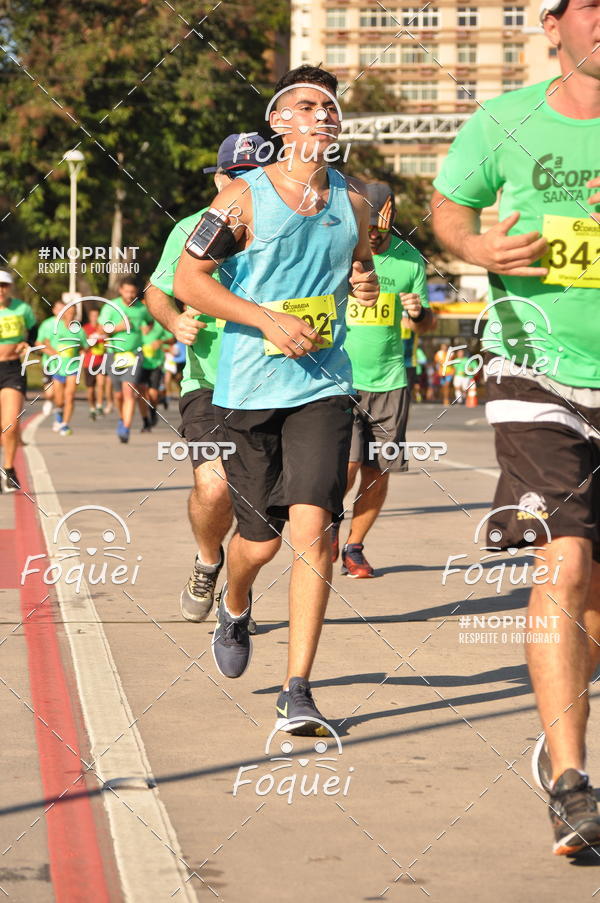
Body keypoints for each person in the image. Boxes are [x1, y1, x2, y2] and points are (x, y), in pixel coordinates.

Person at [432, 0, 600, 856]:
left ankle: (559, 723)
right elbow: (449, 207)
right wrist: (478, 249)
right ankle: (572, 783)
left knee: (595, 585)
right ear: (554, 22)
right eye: (593, 4)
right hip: (534, 368)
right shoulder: (502, 119)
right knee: (562, 558)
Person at [174, 66, 379, 734]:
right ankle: (235, 603)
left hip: (323, 384)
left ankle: (299, 689)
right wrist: (264, 319)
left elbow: (362, 255)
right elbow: (189, 279)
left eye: (329, 107)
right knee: (257, 547)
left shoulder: (355, 200)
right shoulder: (241, 200)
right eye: (305, 106)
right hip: (247, 387)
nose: (322, 114)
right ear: (279, 124)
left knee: (314, 531)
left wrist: (365, 278)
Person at [146, 133, 270, 626]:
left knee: (262, 516)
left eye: (256, 178)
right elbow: (158, 290)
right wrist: (174, 320)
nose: (246, 188)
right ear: (220, 180)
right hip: (210, 382)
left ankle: (237, 594)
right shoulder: (191, 229)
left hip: (273, 381)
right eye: (238, 178)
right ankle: (208, 560)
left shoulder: (289, 226)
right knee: (215, 487)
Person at [332, 181, 433, 576]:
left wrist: (420, 313)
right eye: (366, 226)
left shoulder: (410, 261)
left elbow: (424, 325)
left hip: (390, 379)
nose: (372, 234)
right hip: (341, 376)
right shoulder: (340, 252)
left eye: (379, 226)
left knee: (378, 470)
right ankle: (327, 532)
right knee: (348, 467)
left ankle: (354, 548)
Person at [98, 278, 152, 443]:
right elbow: (101, 330)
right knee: (118, 395)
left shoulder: (141, 308)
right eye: (127, 291)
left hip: (134, 354)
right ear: (120, 290)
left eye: (133, 292)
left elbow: (149, 321)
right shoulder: (111, 306)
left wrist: (146, 329)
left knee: (130, 391)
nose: (130, 295)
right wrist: (117, 328)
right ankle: (122, 418)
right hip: (114, 355)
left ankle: (126, 427)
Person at [0, 271, 36, 491]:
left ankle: (9, 469)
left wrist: (26, 342)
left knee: (10, 423)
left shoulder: (22, 309)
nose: (0, 290)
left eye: (4, 285)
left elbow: (33, 329)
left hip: (12, 368)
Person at [37, 300, 88, 437]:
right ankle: (58, 413)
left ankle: (65, 424)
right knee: (59, 399)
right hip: (57, 367)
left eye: (73, 313)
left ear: (76, 314)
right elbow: (44, 342)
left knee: (70, 396)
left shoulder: (79, 330)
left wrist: (82, 354)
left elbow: (84, 347)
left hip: (73, 367)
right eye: (68, 312)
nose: (70, 315)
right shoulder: (54, 327)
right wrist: (54, 353)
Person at [137, 320, 172, 431]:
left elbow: (172, 339)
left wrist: (161, 342)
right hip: (139, 363)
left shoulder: (159, 323)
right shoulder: (137, 322)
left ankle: (152, 412)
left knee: (153, 394)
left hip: (155, 364)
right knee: (141, 393)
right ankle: (145, 421)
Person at [83, 307, 106, 420]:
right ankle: (92, 407)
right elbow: (83, 346)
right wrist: (91, 342)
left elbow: (108, 343)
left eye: (97, 316)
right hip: (89, 362)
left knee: (101, 384)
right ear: (90, 317)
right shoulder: (85, 329)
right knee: (91, 389)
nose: (95, 318)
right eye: (93, 315)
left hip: (101, 361)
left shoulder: (104, 328)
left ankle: (99, 406)